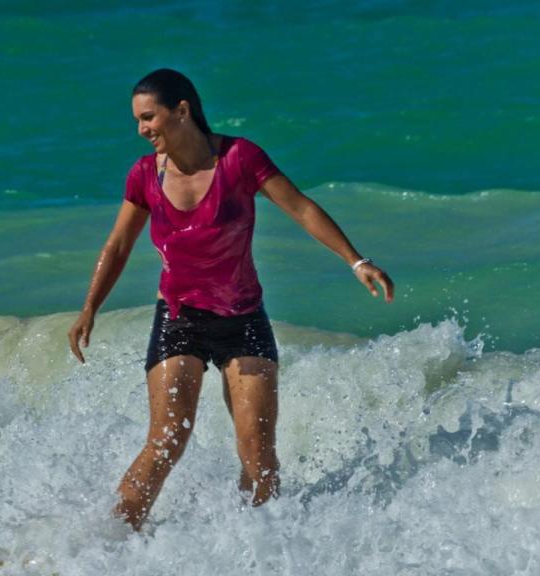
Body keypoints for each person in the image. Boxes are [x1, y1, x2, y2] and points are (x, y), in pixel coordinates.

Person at [67, 69, 394, 531]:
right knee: (166, 441)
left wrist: (356, 261)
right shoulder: (145, 175)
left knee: (258, 455)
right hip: (179, 320)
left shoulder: (240, 158)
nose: (141, 130)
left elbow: (299, 206)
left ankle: (260, 546)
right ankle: (104, 539)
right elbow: (117, 246)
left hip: (242, 321)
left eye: (148, 117)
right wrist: (89, 309)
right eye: (137, 121)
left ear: (182, 110)